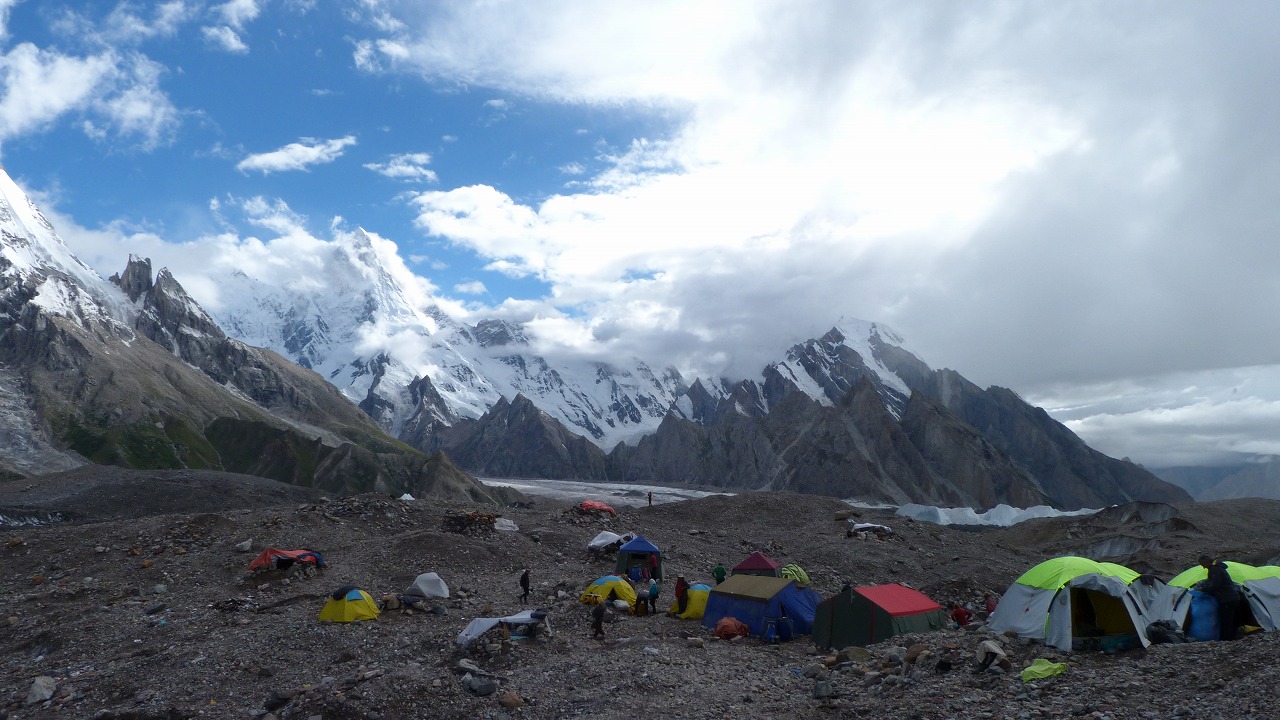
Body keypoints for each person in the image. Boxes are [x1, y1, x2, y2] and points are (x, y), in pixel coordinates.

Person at [1199, 554, 1240, 640]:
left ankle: (1226, 640)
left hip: (1227, 599)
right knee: (1230, 619)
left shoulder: (1215, 570)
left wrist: (1203, 589)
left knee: (1225, 620)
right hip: (1232, 597)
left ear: (1207, 562)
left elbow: (1215, 585)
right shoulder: (1218, 569)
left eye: (1202, 564)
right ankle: (1231, 638)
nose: (1203, 567)